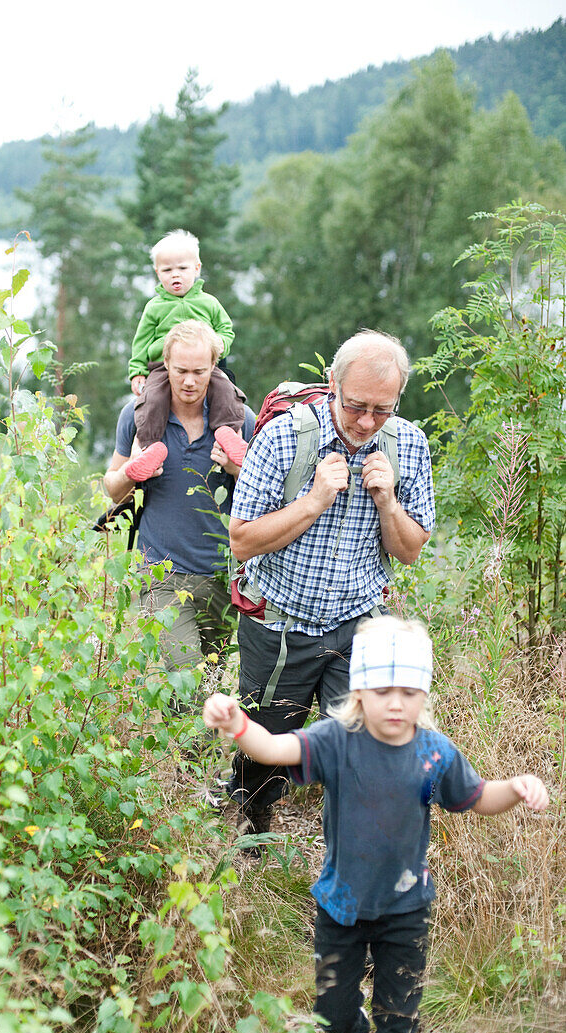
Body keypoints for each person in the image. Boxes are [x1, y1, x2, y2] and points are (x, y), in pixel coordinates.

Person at [202, 616, 549, 1033]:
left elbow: (477, 798)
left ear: (424, 693)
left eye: (409, 691)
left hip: (406, 909)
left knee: (400, 1012)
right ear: (359, 689)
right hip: (340, 904)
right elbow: (274, 747)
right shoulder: (335, 742)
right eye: (382, 689)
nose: (395, 703)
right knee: (331, 1004)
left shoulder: (434, 754)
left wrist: (513, 789)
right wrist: (238, 723)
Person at [227, 329, 436, 835]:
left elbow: (409, 550)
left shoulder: (407, 443)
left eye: (381, 409)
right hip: (281, 623)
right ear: (331, 384)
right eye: (356, 405)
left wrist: (388, 502)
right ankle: (251, 809)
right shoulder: (283, 437)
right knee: (266, 741)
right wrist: (314, 500)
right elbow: (242, 541)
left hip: (359, 624)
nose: (367, 422)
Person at [105, 318, 256, 691]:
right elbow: (112, 489)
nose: (189, 381)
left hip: (223, 574)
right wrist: (133, 472)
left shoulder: (241, 422)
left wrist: (239, 469)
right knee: (184, 681)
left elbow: (264, 503)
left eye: (199, 372)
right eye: (180, 371)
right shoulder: (138, 416)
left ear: (214, 368)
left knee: (213, 684)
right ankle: (189, 747)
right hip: (161, 575)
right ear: (165, 365)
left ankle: (198, 751)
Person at [127, 229, 247, 470]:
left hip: (205, 363)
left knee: (226, 390)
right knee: (152, 398)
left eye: (182, 268)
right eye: (167, 270)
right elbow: (141, 341)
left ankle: (229, 434)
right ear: (157, 273)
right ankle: (149, 448)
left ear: (197, 268)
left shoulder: (208, 302)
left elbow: (226, 328)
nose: (175, 276)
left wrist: (221, 343)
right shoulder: (154, 307)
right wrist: (137, 370)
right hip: (164, 366)